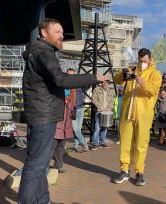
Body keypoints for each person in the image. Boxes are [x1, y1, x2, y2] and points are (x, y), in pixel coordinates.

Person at [19, 18, 107, 204]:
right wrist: (93, 77)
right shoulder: (44, 52)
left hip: (42, 115)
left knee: (39, 164)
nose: (62, 35)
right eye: (57, 32)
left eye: (62, 31)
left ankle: (42, 200)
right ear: (44, 33)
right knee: (36, 166)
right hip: (43, 116)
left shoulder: (41, 51)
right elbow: (61, 80)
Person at [112, 48, 161, 186]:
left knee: (141, 144)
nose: (142, 63)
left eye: (144, 61)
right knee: (125, 142)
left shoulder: (155, 74)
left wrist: (141, 81)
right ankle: (124, 170)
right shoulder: (131, 69)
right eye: (140, 61)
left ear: (150, 59)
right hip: (127, 112)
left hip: (144, 114)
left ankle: (139, 172)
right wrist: (123, 74)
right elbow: (116, 80)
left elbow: (153, 91)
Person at [51, 81, 76, 173]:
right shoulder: (56, 99)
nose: (68, 91)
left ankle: (58, 165)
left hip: (66, 127)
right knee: (51, 146)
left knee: (61, 147)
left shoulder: (70, 100)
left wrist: (73, 114)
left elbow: (72, 111)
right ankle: (44, 165)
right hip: (57, 126)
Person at [91, 81, 115, 150]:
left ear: (108, 84)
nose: (105, 84)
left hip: (107, 112)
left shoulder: (111, 91)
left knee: (105, 128)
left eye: (106, 83)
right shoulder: (97, 89)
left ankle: (102, 142)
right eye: (104, 83)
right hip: (99, 111)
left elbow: (112, 101)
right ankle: (95, 144)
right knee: (97, 128)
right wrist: (100, 107)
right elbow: (94, 99)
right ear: (102, 83)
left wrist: (109, 108)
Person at [69, 68, 89, 153]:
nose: (71, 76)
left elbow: (88, 84)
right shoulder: (66, 85)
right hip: (72, 109)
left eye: (72, 75)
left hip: (80, 108)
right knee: (76, 129)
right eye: (69, 74)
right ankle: (84, 143)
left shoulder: (79, 84)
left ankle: (75, 146)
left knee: (78, 130)